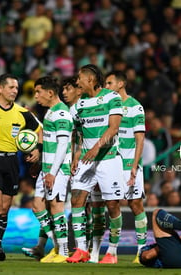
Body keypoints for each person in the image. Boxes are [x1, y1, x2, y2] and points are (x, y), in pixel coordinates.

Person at [0, 73, 42, 261]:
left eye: (16, 88)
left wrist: (37, 150)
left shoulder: (22, 113)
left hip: (12, 162)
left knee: (5, 208)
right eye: (11, 87)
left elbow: (40, 130)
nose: (15, 91)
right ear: (0, 88)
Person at [66, 64, 124, 264]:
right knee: (76, 200)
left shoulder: (112, 98)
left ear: (90, 79)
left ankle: (113, 252)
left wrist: (96, 148)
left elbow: (114, 128)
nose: (77, 82)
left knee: (112, 205)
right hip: (86, 160)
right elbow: (78, 135)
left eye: (79, 78)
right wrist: (76, 156)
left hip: (108, 160)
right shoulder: (78, 106)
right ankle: (81, 249)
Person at [104, 70, 148, 263]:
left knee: (135, 203)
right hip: (111, 163)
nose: (106, 87)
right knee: (112, 204)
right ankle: (112, 251)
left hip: (129, 163)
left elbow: (140, 139)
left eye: (109, 83)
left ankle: (141, 251)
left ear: (120, 84)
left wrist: (136, 165)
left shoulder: (135, 107)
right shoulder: (107, 107)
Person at [29, 76, 73, 263]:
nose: (36, 96)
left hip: (58, 170)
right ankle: (57, 246)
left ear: (50, 93)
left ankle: (62, 251)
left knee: (56, 207)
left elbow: (63, 146)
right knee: (38, 206)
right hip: (46, 169)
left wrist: (52, 173)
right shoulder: (50, 113)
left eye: (38, 92)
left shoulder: (62, 114)